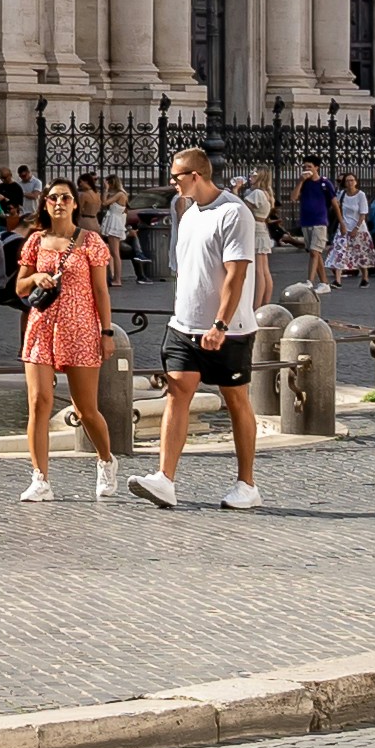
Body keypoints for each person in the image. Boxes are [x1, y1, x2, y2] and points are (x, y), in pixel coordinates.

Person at [132, 144, 266, 513]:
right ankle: (165, 479)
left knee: (236, 400)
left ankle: (247, 483)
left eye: (177, 177)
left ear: (195, 175)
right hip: (183, 326)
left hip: (229, 329)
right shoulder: (187, 213)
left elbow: (236, 272)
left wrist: (220, 323)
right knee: (177, 394)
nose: (172, 182)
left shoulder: (234, 213)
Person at [13, 174, 121, 502]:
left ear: (75, 203)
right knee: (38, 402)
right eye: (53, 198)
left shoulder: (91, 242)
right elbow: (19, 287)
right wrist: (36, 276)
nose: (59, 203)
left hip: (81, 328)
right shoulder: (35, 241)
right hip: (42, 327)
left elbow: (101, 291)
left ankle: (106, 460)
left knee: (86, 408)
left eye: (65, 198)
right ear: (45, 204)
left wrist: (106, 331)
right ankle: (40, 478)